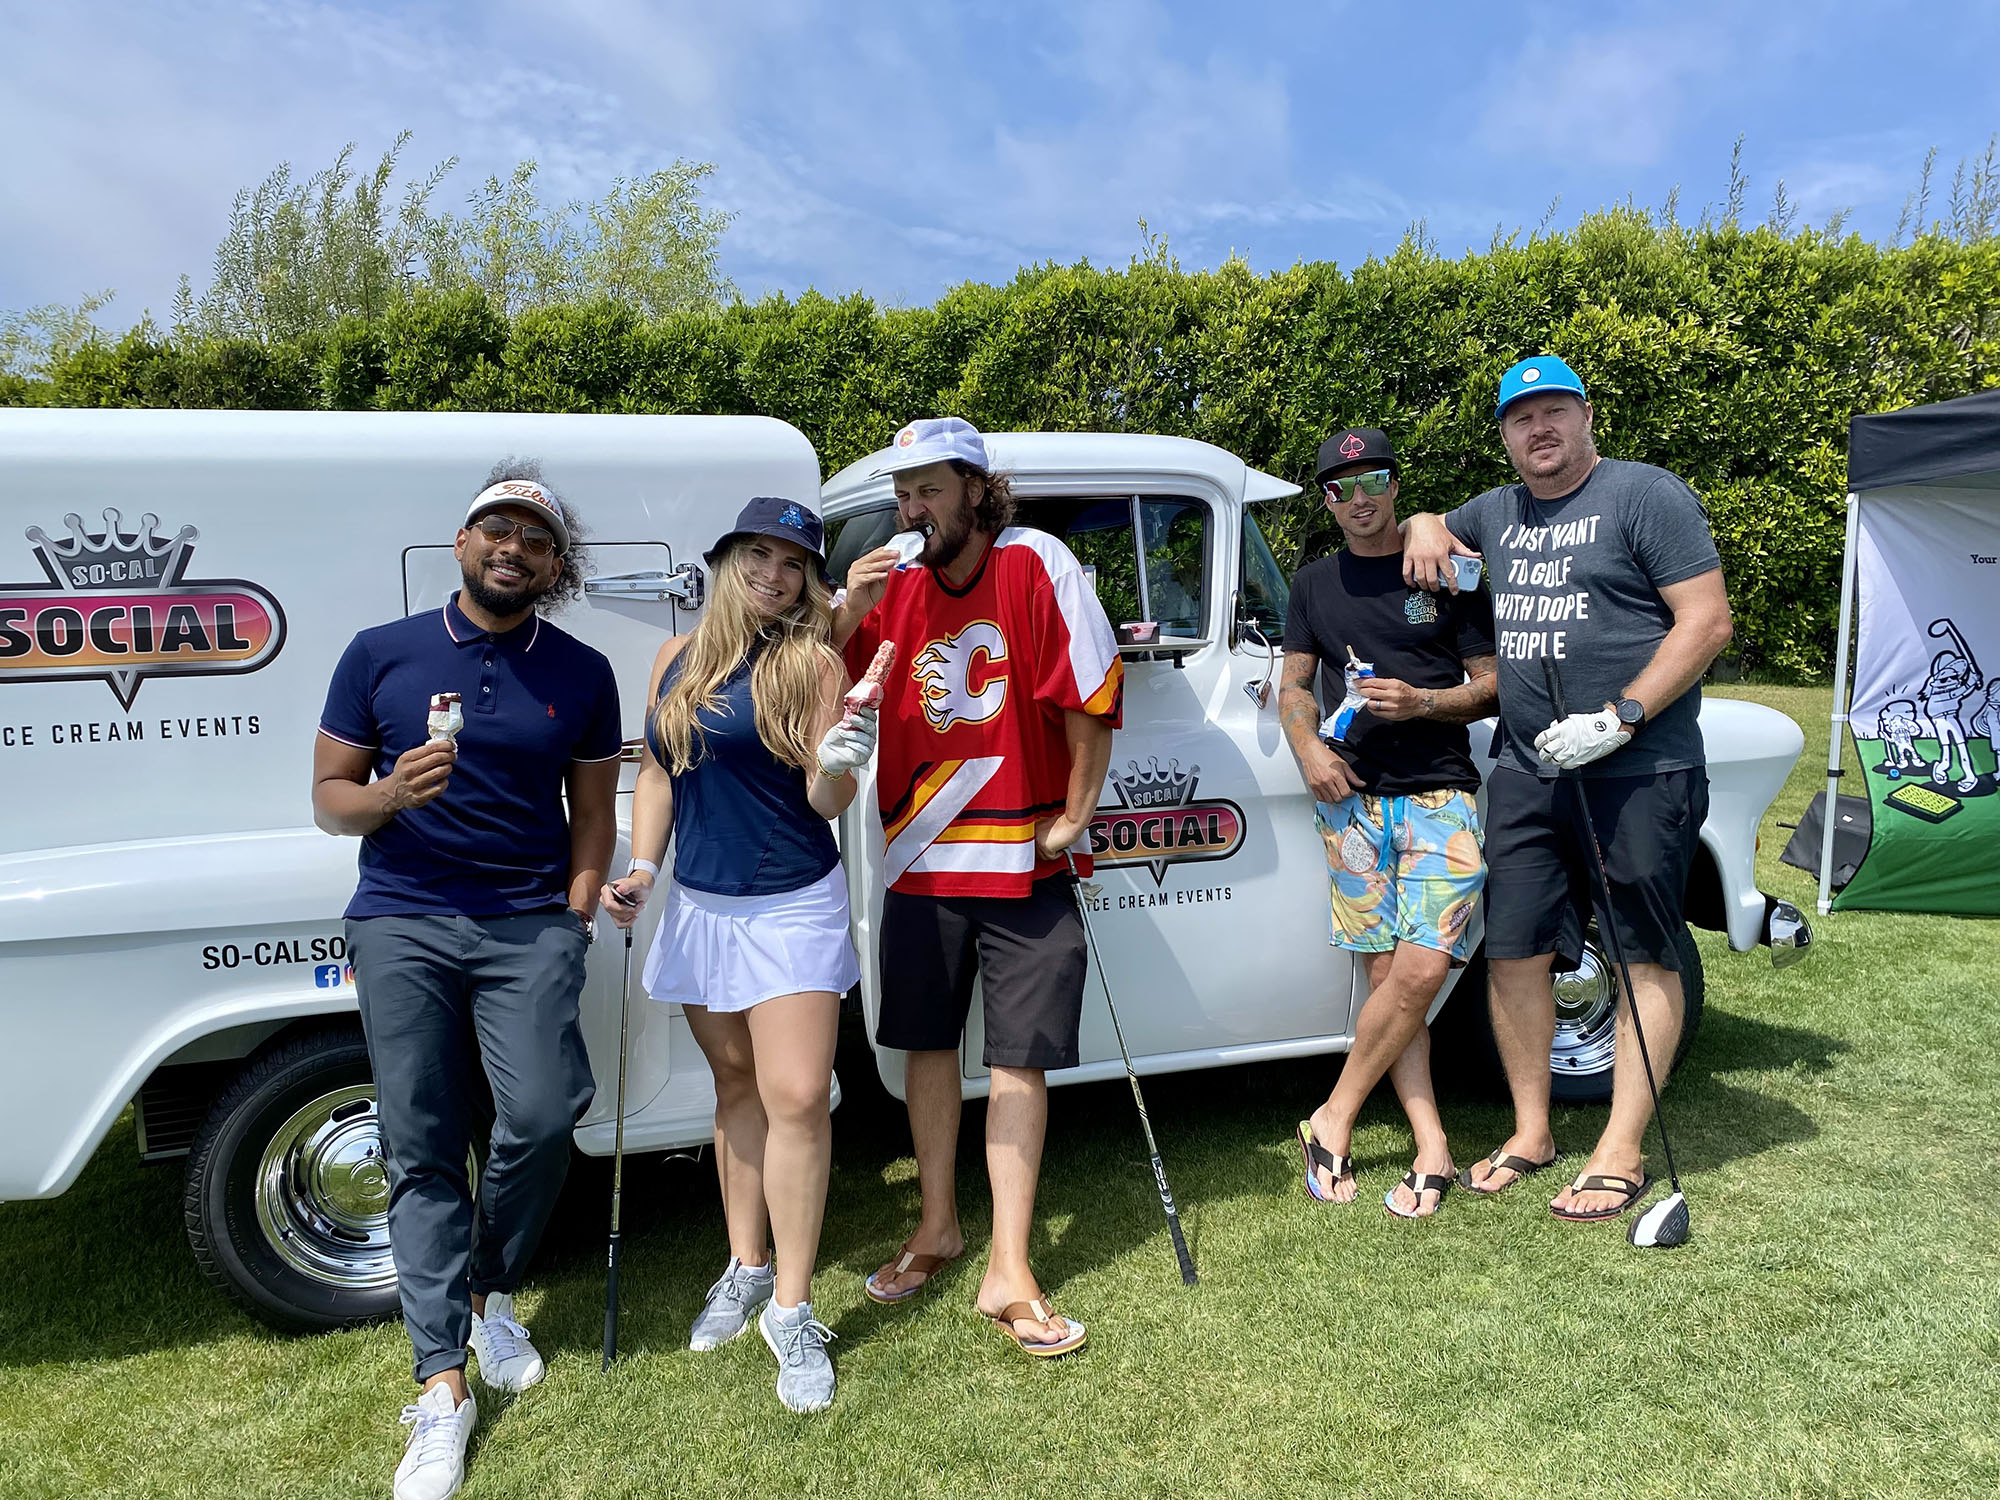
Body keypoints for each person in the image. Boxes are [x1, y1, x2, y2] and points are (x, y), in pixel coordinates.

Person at [312, 463, 620, 1500]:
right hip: (402, 919)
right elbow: (328, 800)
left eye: (535, 538)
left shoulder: (578, 672)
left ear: (553, 564)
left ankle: (486, 1295)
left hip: (527, 923)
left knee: (542, 1113)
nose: (513, 547)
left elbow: (591, 814)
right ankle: (441, 1387)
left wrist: (574, 916)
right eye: (498, 528)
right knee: (421, 1143)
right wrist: (391, 789)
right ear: (461, 541)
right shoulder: (381, 654)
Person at [1403, 355, 1735, 1223]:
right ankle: (1531, 1131)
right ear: (1506, 435)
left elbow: (1707, 621)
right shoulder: (1497, 512)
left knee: (1639, 953)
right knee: (1513, 951)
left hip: (1637, 766)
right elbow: (1431, 522)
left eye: (1554, 411)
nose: (1538, 429)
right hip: (1526, 769)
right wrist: (1427, 520)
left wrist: (1621, 714)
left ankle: (1620, 1148)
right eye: (1520, 418)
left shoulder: (1644, 495)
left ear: (1587, 416)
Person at [834, 417, 1121, 1358]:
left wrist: (1075, 817)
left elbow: (1089, 692)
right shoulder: (894, 585)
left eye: (931, 489)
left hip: (1021, 866)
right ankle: (937, 1226)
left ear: (974, 488)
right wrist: (843, 609)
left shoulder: (1034, 562)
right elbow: (820, 686)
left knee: (1016, 1062)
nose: (915, 508)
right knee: (925, 1050)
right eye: (904, 492)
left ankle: (1009, 1265)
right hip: (919, 861)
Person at [599, 497, 874, 1414]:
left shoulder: (813, 661)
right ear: (726, 562)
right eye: (758, 555)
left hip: (792, 903)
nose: (773, 574)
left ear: (808, 580)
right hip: (702, 908)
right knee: (736, 1090)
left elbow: (827, 801)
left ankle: (792, 1311)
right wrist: (643, 867)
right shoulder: (675, 660)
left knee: (798, 1094)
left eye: (793, 563)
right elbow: (656, 771)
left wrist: (840, 757)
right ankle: (745, 1266)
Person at [1280, 427, 1498, 1218]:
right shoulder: (1312, 585)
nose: (1358, 500)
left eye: (1372, 481)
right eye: (1340, 489)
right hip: (1352, 801)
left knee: (1424, 967)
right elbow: (1295, 686)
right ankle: (1432, 1144)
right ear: (1327, 501)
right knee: (1384, 978)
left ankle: (1331, 1117)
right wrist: (1306, 748)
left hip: (1439, 792)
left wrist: (1425, 703)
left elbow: (1492, 684)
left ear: (1396, 485)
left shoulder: (1442, 569)